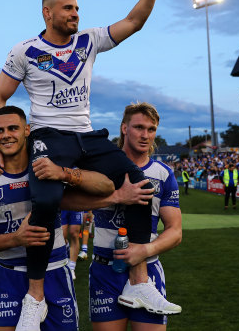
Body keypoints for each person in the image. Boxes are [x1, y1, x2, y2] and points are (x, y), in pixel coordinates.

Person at [0, 0, 169, 327]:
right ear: (47, 12)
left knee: (140, 182)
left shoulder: (89, 40)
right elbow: (0, 96)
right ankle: (36, 297)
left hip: (86, 134)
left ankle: (138, 280)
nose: (75, 14)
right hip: (49, 135)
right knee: (47, 198)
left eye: (78, 9)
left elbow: (134, 21)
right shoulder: (26, 51)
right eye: (68, 8)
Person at [0, 106, 153, 331]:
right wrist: (16, 239)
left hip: (55, 271)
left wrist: (107, 192)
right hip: (11, 274)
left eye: (13, 128)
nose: (6, 135)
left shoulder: (48, 164)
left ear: (27, 130)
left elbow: (102, 185)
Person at [88, 102, 182, 330]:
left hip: (147, 269)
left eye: (151, 130)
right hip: (105, 270)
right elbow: (68, 202)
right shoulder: (100, 167)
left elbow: (175, 231)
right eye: (139, 127)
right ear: (124, 128)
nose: (145, 135)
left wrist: (144, 250)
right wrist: (116, 197)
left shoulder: (163, 173)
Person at [60, 209, 84, 280]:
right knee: (62, 236)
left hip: (75, 202)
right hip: (62, 203)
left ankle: (71, 267)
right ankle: (67, 249)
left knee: (74, 233)